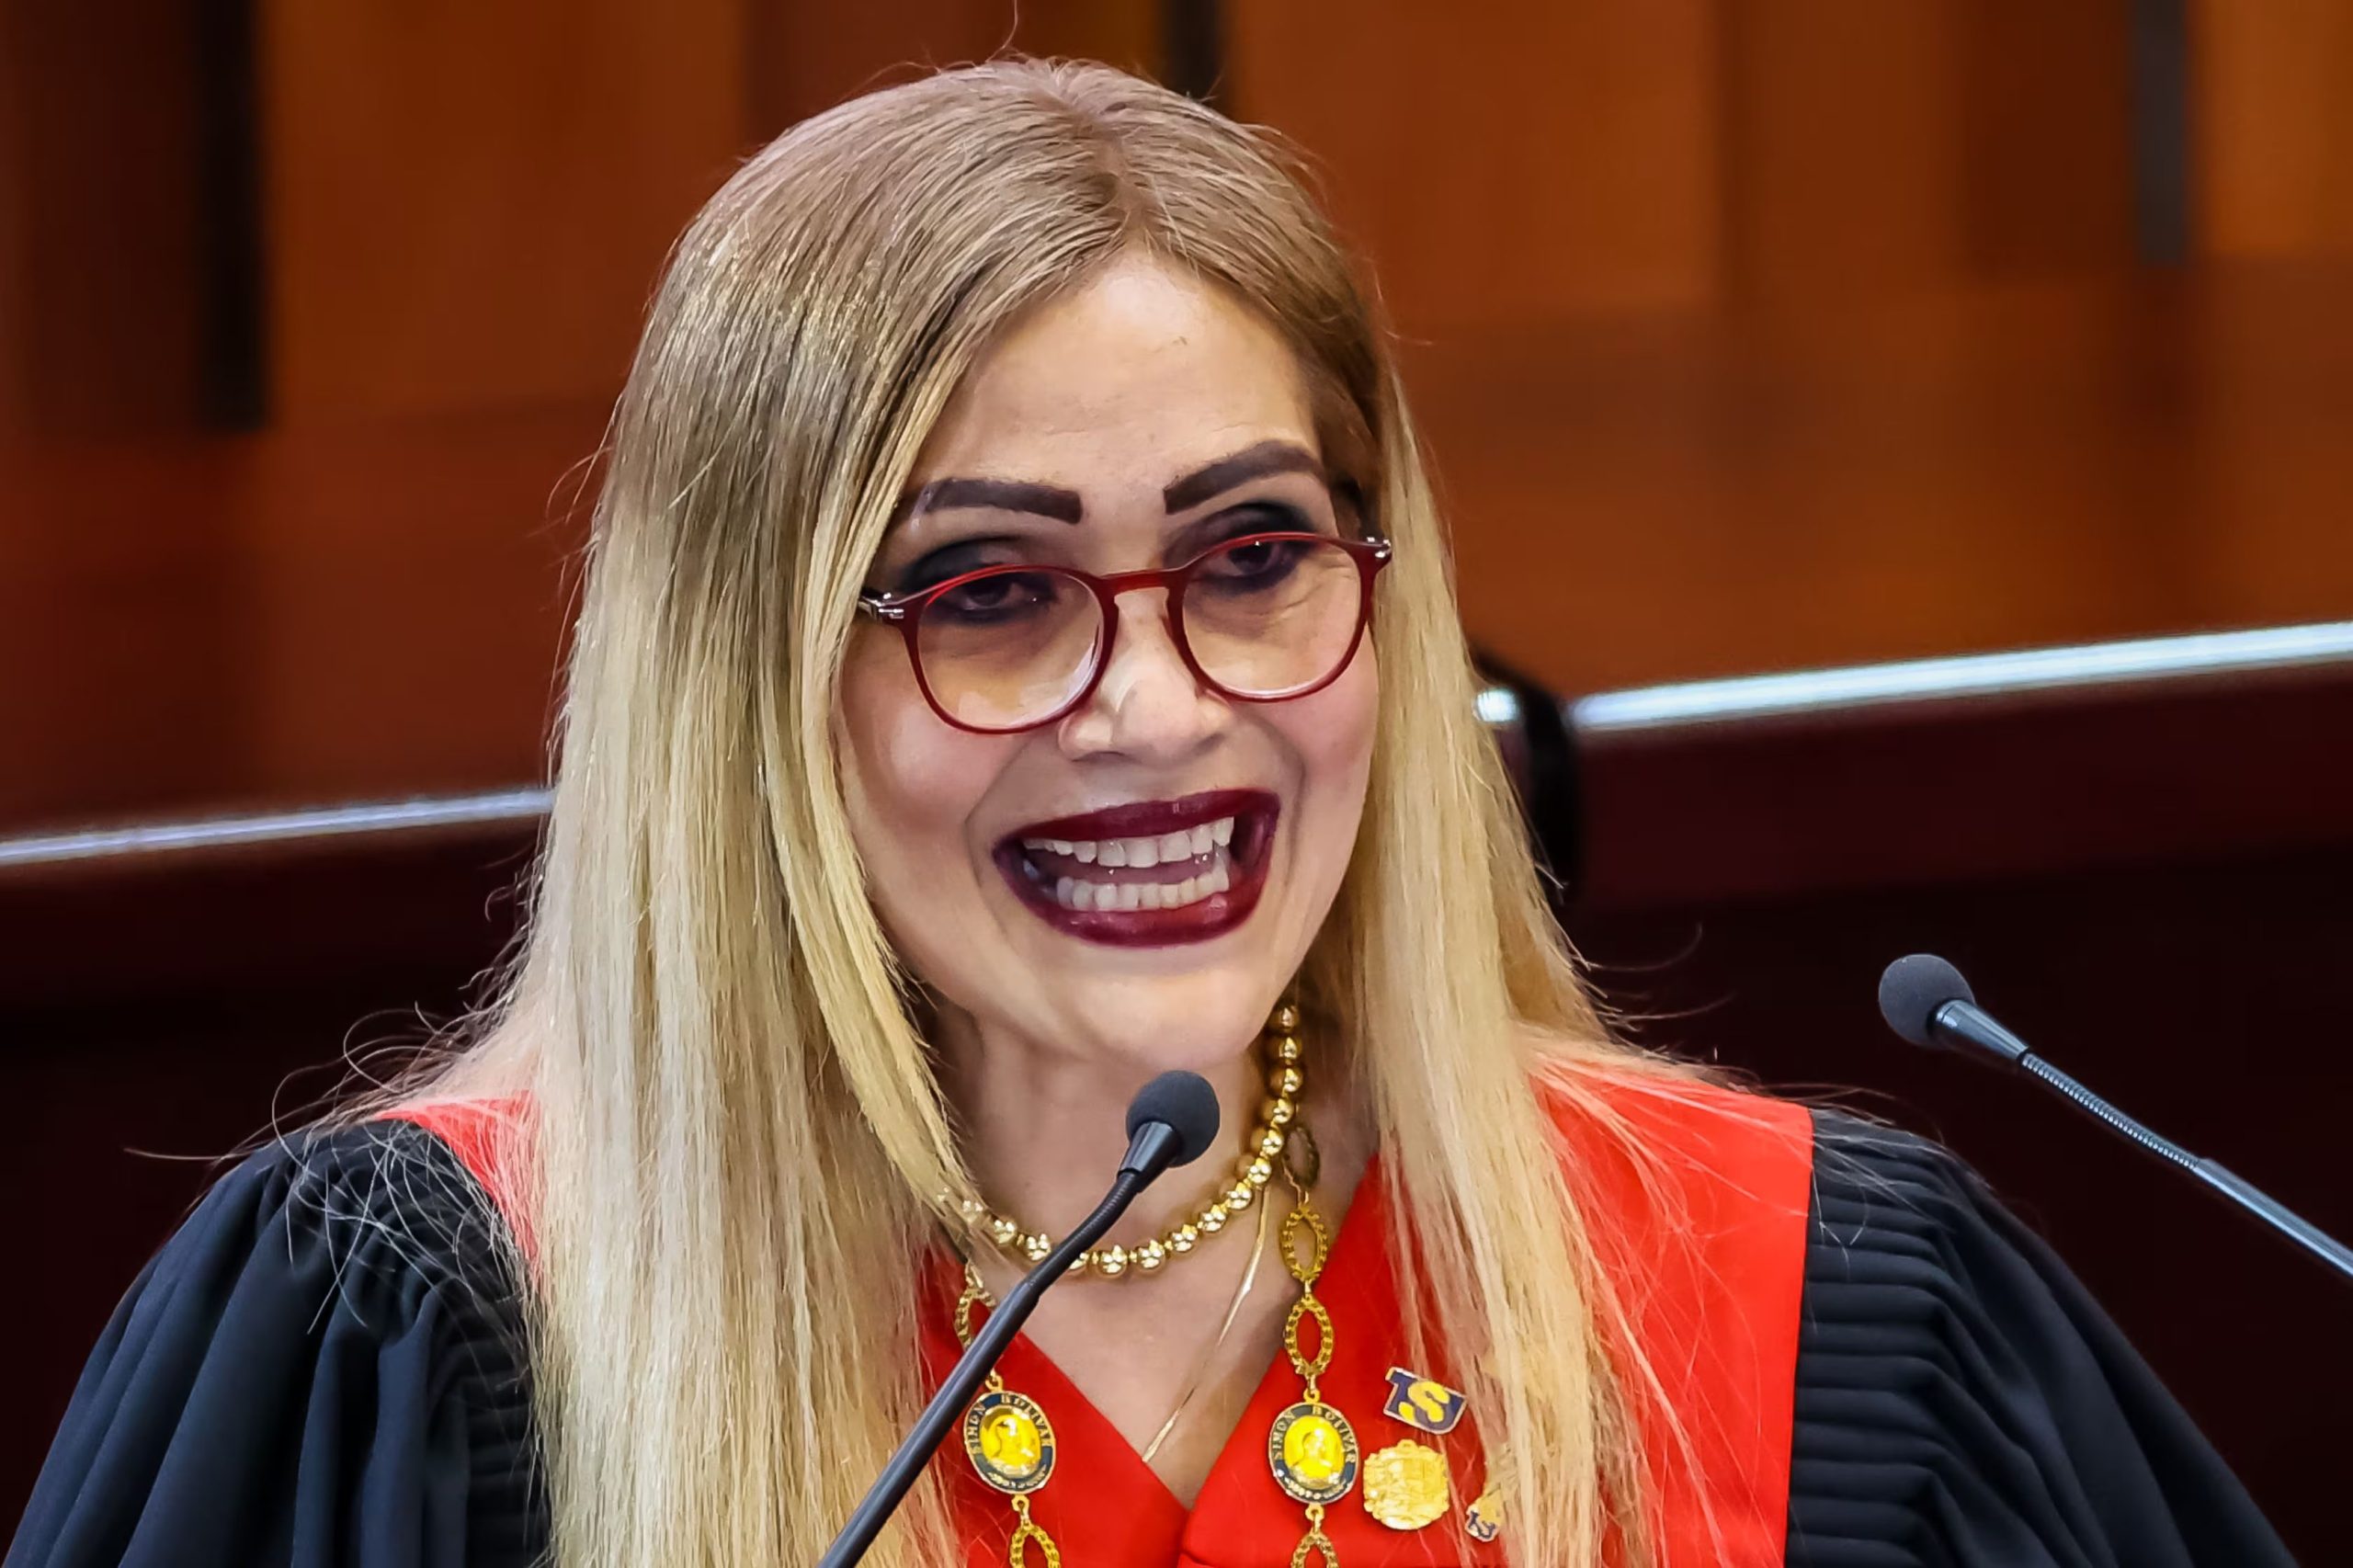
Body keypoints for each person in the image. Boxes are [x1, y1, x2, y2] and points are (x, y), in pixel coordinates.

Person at [9, 60, 2290, 1568]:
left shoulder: (1808, 1310)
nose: (1156, 707)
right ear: (748, 686)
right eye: (991, 594)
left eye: (1251, 555)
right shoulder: (427, 1349)